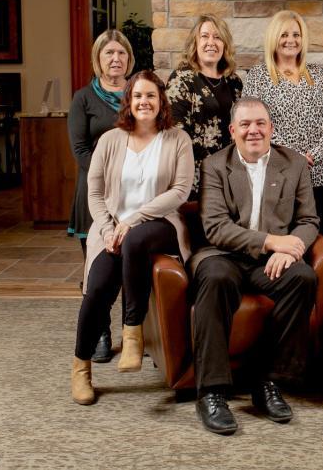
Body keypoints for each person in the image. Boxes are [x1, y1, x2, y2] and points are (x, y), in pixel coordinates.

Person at [190, 96, 320, 435]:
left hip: (270, 262)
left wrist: (292, 251)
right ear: (233, 131)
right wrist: (272, 242)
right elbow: (215, 227)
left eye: (260, 123)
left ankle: (270, 383)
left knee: (303, 279)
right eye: (245, 124)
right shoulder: (215, 165)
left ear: (271, 127)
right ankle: (212, 392)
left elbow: (308, 220)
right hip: (223, 255)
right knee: (216, 279)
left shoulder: (293, 164)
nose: (253, 130)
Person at [71, 71, 194, 406]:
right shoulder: (110, 140)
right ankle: (81, 369)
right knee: (96, 287)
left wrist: (134, 219)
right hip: (112, 229)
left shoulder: (177, 139)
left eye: (151, 96)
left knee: (137, 238)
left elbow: (181, 191)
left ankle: (132, 332)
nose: (145, 102)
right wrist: (110, 229)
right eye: (138, 96)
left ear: (161, 101)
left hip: (161, 224)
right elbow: (94, 193)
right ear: (129, 101)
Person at [67, 29, 135, 362]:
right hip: (94, 192)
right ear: (98, 59)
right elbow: (80, 149)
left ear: (129, 59)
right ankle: (102, 333)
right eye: (109, 53)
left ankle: (134, 333)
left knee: (130, 265)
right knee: (98, 267)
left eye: (121, 54)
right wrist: (105, 179)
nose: (115, 59)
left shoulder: (140, 93)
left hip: (135, 192)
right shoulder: (83, 98)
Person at [242, 10, 323, 224]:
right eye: (284, 34)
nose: (291, 40)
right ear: (273, 38)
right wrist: (294, 157)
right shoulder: (257, 77)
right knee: (285, 237)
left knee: (321, 236)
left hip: (320, 172)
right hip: (278, 173)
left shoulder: (320, 75)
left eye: (296, 35)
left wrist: (315, 154)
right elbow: (254, 124)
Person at [165, 15, 244, 199]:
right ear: (195, 42)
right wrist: (213, 163)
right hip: (193, 172)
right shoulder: (181, 79)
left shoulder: (234, 81)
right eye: (205, 36)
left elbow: (240, 126)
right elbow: (176, 131)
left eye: (217, 37)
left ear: (225, 44)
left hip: (230, 172)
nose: (211, 42)